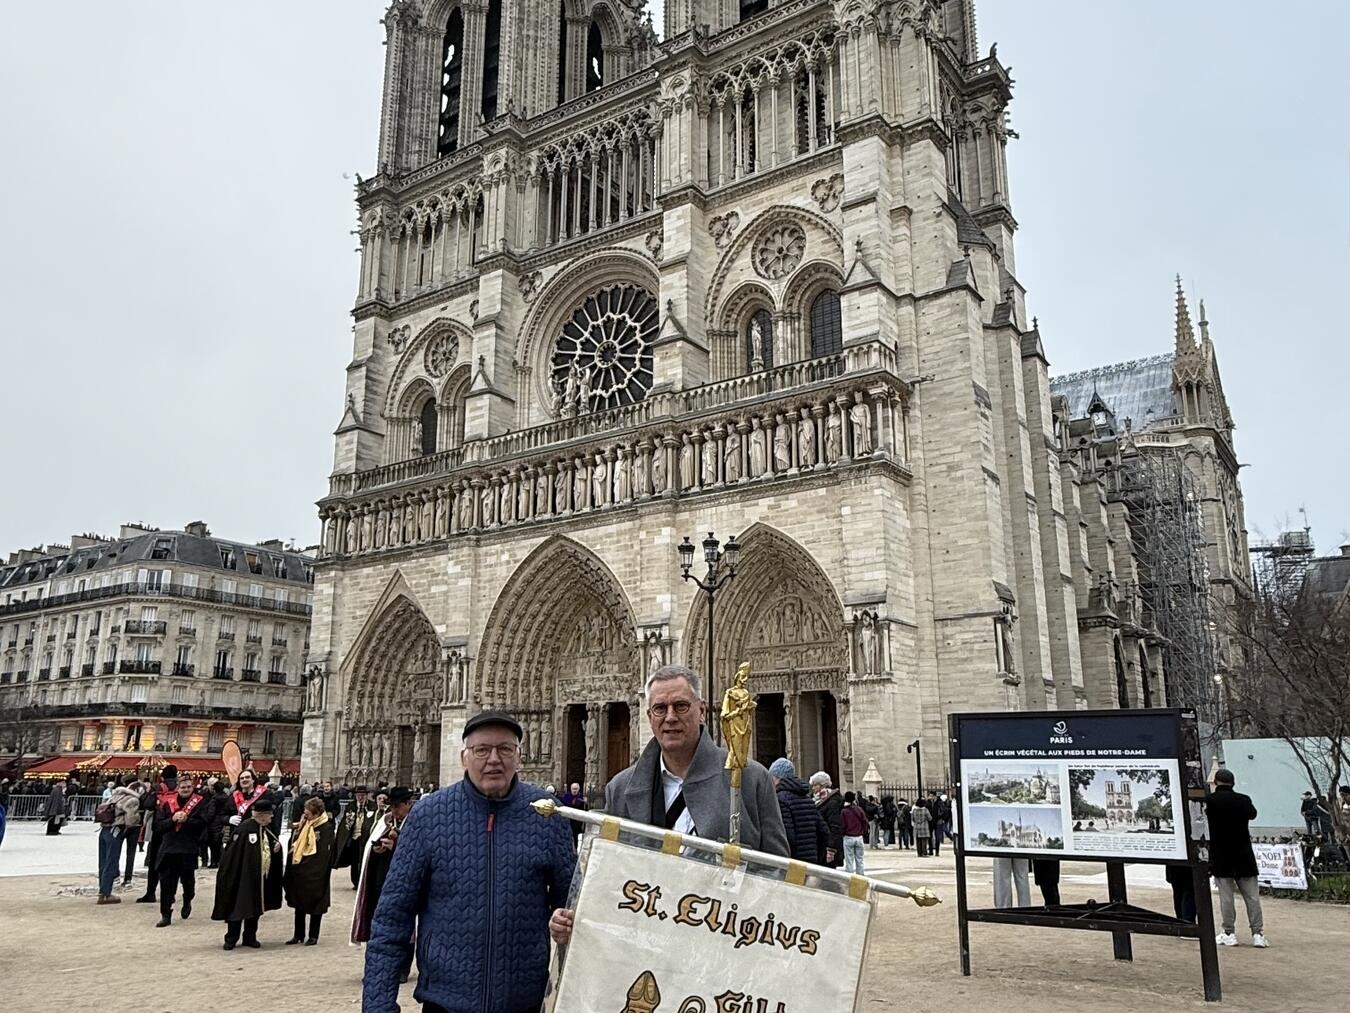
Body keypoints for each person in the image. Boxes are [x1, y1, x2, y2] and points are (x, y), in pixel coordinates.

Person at [363, 712, 576, 1013]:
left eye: (505, 749)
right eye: (482, 750)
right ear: (464, 757)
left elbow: (572, 904)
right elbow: (392, 918)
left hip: (524, 1003)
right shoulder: (428, 817)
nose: (493, 759)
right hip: (445, 1003)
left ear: (519, 757)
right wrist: (378, 1006)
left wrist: (564, 919)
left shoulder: (548, 815)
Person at [600, 665, 788, 853]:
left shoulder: (751, 779)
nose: (670, 717)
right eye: (660, 708)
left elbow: (776, 870)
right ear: (649, 717)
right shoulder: (620, 789)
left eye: (681, 706)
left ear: (702, 711)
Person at [212, 797, 283, 949]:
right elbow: (232, 854)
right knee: (238, 907)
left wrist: (276, 848)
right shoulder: (245, 829)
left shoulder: (265, 830)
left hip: (258, 879)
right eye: (270, 815)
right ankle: (231, 938)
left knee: (255, 909)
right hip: (242, 878)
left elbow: (269, 846)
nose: (272, 818)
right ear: (262, 815)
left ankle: (250, 936)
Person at [1207, 768, 1267, 947]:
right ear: (1233, 782)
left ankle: (1228, 932)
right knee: (1252, 897)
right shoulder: (1243, 800)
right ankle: (1257, 933)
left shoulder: (1210, 801)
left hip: (1221, 854)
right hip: (1243, 854)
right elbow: (1253, 814)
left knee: (1226, 898)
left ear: (1216, 782)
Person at [351, 787, 415, 948]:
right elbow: (371, 844)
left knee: (406, 927)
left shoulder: (417, 820)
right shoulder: (386, 820)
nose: (393, 811)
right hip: (383, 879)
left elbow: (420, 852)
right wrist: (376, 849)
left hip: (407, 884)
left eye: (397, 807)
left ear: (408, 803)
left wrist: (396, 845)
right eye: (391, 807)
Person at [153, 774, 209, 927]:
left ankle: (187, 900)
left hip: (188, 848)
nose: (185, 789)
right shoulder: (167, 803)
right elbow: (157, 826)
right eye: (183, 787)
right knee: (166, 884)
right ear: (178, 788)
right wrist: (172, 820)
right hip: (169, 848)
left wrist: (187, 820)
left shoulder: (199, 803)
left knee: (188, 882)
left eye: (188, 787)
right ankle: (165, 913)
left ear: (193, 788)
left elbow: (203, 824)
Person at [284, 796, 337, 945]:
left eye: (308, 813)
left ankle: (313, 935)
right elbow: (295, 843)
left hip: (316, 873)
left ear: (317, 813)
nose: (305, 814)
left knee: (316, 903)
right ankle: (298, 934)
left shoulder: (326, 828)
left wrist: (311, 869)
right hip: (300, 870)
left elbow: (323, 853)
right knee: (299, 903)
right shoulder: (304, 824)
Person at [768, 757, 828, 864]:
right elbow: (823, 831)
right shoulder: (808, 800)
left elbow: (787, 834)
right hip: (811, 860)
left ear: (777, 778)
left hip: (793, 862)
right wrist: (817, 855)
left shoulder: (780, 799)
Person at [333, 785, 379, 889]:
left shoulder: (372, 806)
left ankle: (364, 881)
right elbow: (345, 823)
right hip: (354, 838)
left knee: (364, 860)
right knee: (354, 861)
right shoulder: (351, 806)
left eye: (363, 795)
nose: (360, 798)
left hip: (365, 838)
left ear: (367, 796)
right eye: (358, 795)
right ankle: (355, 881)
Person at [222, 768, 271, 850]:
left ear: (253, 780)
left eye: (247, 777)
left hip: (259, 835)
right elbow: (221, 815)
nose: (244, 780)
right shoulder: (233, 797)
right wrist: (228, 819)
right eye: (242, 778)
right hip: (238, 836)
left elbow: (273, 816)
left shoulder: (265, 794)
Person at [810, 771, 845, 867]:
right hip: (819, 845)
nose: (812, 788)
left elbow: (835, 826)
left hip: (827, 847)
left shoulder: (832, 802)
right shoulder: (817, 800)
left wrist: (831, 849)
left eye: (814, 785)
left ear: (822, 785)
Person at [840, 791, 868, 874]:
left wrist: (843, 833)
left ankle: (849, 878)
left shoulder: (844, 811)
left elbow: (842, 825)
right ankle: (860, 876)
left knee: (849, 860)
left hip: (848, 836)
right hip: (859, 836)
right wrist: (864, 832)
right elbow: (865, 821)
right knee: (860, 860)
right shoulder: (859, 809)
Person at [561, 781, 589, 846]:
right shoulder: (566, 796)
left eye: (576, 789)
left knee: (577, 837)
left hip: (577, 822)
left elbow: (585, 810)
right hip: (568, 820)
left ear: (578, 789)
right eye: (573, 789)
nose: (574, 790)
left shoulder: (581, 798)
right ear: (571, 789)